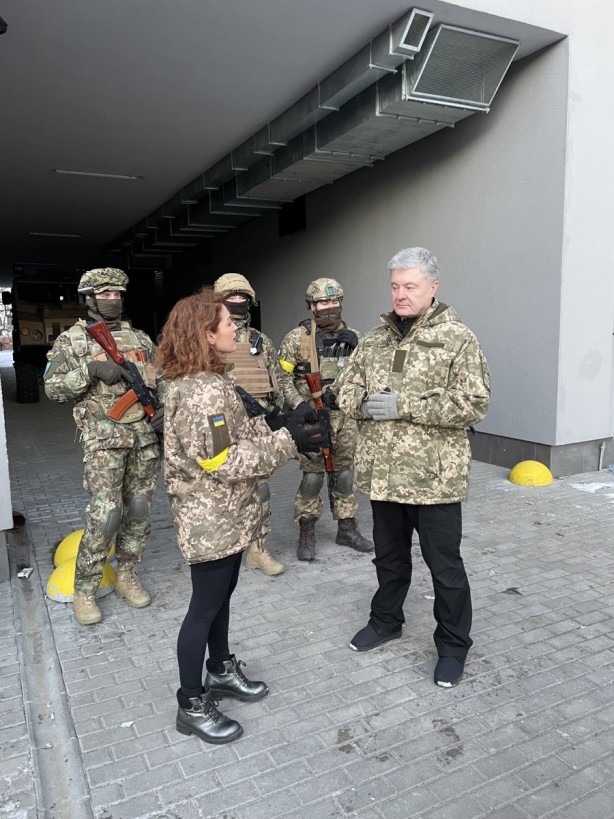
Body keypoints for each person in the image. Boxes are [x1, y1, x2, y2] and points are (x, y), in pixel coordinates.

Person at [157, 289, 327, 744]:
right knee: (203, 609)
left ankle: (220, 669)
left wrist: (279, 422)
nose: (236, 327)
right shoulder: (200, 393)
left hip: (227, 515)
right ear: (206, 335)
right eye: (227, 323)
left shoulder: (212, 381)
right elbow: (223, 461)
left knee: (221, 597)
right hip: (210, 519)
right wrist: (289, 442)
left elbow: (238, 432)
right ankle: (191, 703)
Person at [335, 248, 491, 687]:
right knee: (389, 558)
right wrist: (364, 403)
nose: (400, 295)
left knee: (445, 568)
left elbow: (474, 402)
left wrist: (406, 405)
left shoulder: (457, 338)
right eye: (395, 286)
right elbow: (343, 391)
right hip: (384, 476)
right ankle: (386, 621)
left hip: (433, 479)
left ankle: (454, 646)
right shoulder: (374, 340)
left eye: (410, 286)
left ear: (433, 287)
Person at [44, 268, 164, 626]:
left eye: (117, 294)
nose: (113, 300)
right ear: (89, 299)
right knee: (106, 515)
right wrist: (92, 371)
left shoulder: (140, 339)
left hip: (143, 439)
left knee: (138, 510)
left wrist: (163, 410)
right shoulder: (72, 341)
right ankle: (85, 589)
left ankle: (127, 575)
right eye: (105, 294)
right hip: (104, 441)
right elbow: (52, 389)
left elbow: (162, 379)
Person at [278, 277, 373, 561]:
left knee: (344, 474)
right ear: (312, 306)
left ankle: (347, 527)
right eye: (323, 302)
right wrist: (298, 405)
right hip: (312, 417)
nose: (330, 307)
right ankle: (307, 531)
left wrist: (360, 349)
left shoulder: (355, 337)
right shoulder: (297, 338)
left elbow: (369, 375)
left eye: (334, 301)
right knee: (313, 476)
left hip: (345, 418)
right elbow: (281, 376)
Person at [212, 273, 286, 576]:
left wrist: (281, 412)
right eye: (231, 297)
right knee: (220, 487)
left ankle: (258, 549)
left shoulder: (260, 341)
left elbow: (277, 380)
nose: (238, 302)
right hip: (222, 425)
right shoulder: (210, 338)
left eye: (243, 298)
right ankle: (221, 550)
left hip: (257, 423)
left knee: (261, 487)